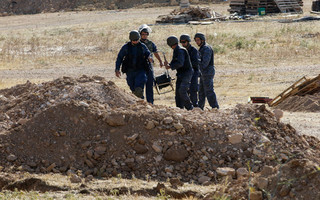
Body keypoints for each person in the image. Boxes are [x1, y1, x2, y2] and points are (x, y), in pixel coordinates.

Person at [115, 30, 152, 98]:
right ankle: (138, 104)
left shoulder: (142, 46)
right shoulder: (126, 47)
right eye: (134, 40)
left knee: (138, 89)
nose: (136, 42)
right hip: (130, 71)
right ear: (131, 40)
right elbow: (119, 58)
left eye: (137, 40)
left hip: (141, 70)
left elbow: (148, 54)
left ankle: (141, 103)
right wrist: (117, 69)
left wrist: (150, 57)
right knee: (133, 89)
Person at [165, 36, 193, 110]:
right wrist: (169, 65)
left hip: (186, 73)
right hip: (181, 73)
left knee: (182, 91)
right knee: (178, 93)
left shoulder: (180, 50)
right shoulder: (177, 50)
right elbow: (175, 61)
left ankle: (190, 108)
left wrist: (170, 66)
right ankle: (180, 109)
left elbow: (180, 63)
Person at [138, 24, 164, 104]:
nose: (144, 35)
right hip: (140, 66)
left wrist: (160, 61)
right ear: (140, 34)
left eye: (146, 34)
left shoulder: (150, 43)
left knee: (150, 84)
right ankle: (141, 102)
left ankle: (150, 103)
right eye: (143, 34)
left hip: (149, 66)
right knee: (140, 85)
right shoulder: (137, 43)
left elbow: (155, 53)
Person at [194, 32, 219, 109]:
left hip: (207, 72)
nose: (197, 42)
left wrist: (197, 64)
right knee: (201, 92)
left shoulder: (206, 48)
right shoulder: (202, 48)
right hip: (203, 73)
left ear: (202, 40)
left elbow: (205, 63)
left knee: (209, 91)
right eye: (196, 40)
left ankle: (215, 108)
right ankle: (200, 108)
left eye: (198, 40)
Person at [180, 34, 200, 107]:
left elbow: (196, 62)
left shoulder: (194, 50)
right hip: (186, 73)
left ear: (188, 41)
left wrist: (187, 65)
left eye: (184, 42)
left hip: (194, 72)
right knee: (185, 90)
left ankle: (194, 106)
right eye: (181, 42)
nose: (183, 44)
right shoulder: (182, 50)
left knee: (193, 90)